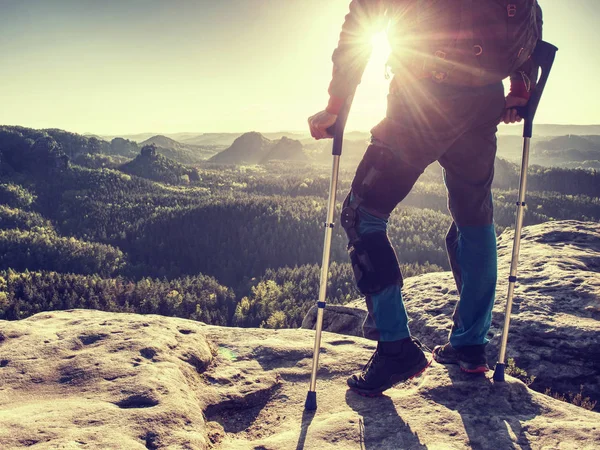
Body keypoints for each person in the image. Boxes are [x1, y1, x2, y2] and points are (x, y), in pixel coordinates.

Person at [308, 0, 543, 397]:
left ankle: (396, 346)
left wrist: (336, 104)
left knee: (362, 214)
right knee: (474, 219)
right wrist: (520, 84)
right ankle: (470, 345)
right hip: (484, 100)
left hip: (422, 97)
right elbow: (527, 20)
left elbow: (362, 23)